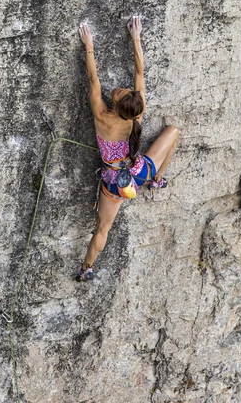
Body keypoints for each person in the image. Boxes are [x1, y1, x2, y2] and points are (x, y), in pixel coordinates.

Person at [77, 16, 179, 282]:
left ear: (118, 107)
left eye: (120, 93)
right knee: (174, 133)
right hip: (139, 172)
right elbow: (139, 74)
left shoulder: (102, 116)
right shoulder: (137, 110)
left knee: (103, 228)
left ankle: (87, 267)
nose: (120, 89)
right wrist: (136, 38)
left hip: (115, 183)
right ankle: (156, 180)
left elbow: (92, 79)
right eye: (124, 91)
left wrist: (89, 46)